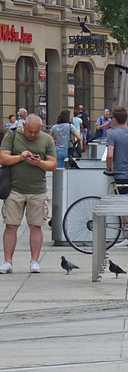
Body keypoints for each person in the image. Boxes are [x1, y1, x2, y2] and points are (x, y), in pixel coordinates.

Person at [1, 114, 57, 274]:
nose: (32, 135)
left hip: (37, 190)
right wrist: (20, 157)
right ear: (23, 125)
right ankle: (7, 262)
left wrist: (39, 163)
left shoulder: (46, 139)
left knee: (35, 226)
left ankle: (34, 261)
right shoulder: (12, 136)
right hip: (14, 188)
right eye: (30, 131)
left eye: (36, 132)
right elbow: (3, 158)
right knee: (11, 225)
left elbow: (53, 164)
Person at [105, 107, 128, 248]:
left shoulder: (112, 135)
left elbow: (110, 155)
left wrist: (109, 168)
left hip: (120, 174)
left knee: (124, 205)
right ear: (126, 118)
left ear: (114, 119)